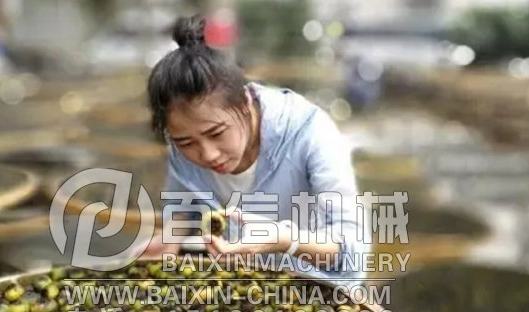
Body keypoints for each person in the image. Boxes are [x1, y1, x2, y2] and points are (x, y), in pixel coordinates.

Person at [141, 15, 368, 287]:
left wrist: (286, 241)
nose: (208, 154)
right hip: (239, 289)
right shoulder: (183, 141)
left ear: (246, 102)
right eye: (186, 143)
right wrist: (171, 237)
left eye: (216, 133)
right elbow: (184, 204)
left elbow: (353, 256)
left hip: (313, 292)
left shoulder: (310, 132)